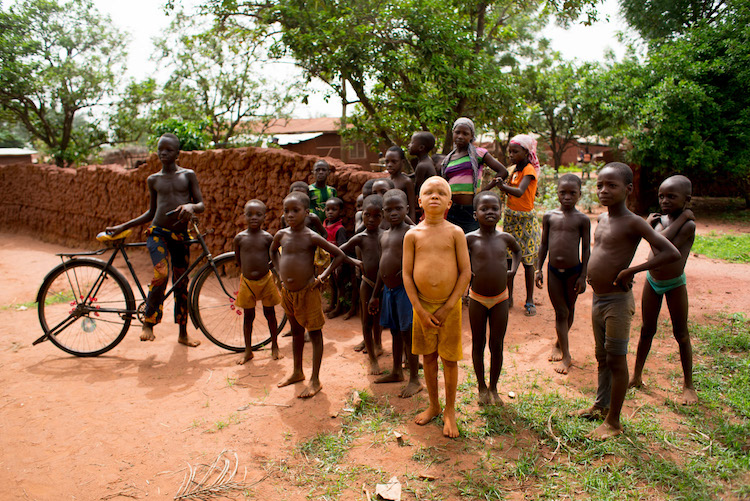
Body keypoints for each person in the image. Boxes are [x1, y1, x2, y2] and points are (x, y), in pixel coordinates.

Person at [574, 162, 680, 439]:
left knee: (616, 360)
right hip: (598, 298)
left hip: (617, 303)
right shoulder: (602, 219)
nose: (603, 190)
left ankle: (613, 422)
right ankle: (600, 405)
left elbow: (671, 253)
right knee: (601, 357)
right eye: (599, 185)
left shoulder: (633, 222)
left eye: (611, 186)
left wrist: (631, 271)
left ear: (628, 189)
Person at [106, 133, 204, 347]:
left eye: (168, 150)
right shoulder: (153, 179)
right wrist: (124, 225)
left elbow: (201, 205)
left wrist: (190, 206)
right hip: (157, 232)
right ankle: (148, 323)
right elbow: (151, 212)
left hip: (181, 237)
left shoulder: (188, 175)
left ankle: (183, 333)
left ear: (178, 153)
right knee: (161, 273)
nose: (163, 153)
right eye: (160, 149)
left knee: (181, 284)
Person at [403, 177, 472, 437]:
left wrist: (447, 306)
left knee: (450, 359)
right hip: (421, 307)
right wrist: (420, 310)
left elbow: (465, 272)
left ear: (449, 203)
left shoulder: (455, 233)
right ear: (419, 201)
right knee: (428, 357)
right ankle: (434, 405)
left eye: (441, 193)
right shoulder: (412, 235)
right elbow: (407, 275)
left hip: (449, 308)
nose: (435, 196)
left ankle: (450, 411)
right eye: (429, 193)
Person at [270, 191, 349, 398]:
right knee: (296, 331)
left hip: (308, 292)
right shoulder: (281, 235)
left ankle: (315, 379)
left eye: (295, 211)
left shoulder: (311, 237)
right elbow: (272, 252)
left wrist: (322, 277)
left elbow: (339, 255)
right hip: (288, 293)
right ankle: (297, 371)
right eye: (286, 211)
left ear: (306, 213)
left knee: (314, 333)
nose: (290, 215)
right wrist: (278, 273)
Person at [629, 175, 697, 405]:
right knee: (647, 329)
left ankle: (688, 385)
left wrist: (681, 218)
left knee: (681, 333)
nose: (665, 200)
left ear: (687, 199)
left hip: (675, 283)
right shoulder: (658, 220)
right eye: (661, 196)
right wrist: (648, 225)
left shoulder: (688, 225)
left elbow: (662, 244)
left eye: (671, 196)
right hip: (653, 280)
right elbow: (655, 241)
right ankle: (636, 375)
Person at [466, 191, 521, 405]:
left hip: (500, 299)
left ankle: (494, 387)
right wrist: (466, 271)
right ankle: (481, 387)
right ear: (475, 214)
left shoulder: (505, 238)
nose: (490, 212)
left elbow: (517, 252)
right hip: (477, 299)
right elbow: (458, 257)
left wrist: (513, 270)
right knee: (478, 344)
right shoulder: (469, 238)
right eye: (484, 209)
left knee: (496, 344)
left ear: (501, 212)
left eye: (494, 209)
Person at [535, 174, 591, 375]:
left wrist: (583, 275)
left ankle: (559, 342)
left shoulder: (583, 219)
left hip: (573, 272)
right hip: (553, 273)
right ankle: (567, 355)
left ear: (579, 195)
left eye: (572, 193)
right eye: (563, 192)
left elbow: (585, 249)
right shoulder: (549, 216)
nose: (567, 197)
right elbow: (543, 244)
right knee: (562, 312)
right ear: (556, 193)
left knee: (570, 308)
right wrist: (538, 268)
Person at [369, 189, 422, 398]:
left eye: (398, 208)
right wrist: (375, 294)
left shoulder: (413, 232)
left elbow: (423, 260)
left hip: (405, 290)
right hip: (388, 291)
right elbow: (382, 266)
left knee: (407, 333)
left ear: (407, 209)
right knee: (394, 331)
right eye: (388, 209)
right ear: (382, 212)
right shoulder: (384, 235)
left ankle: (415, 380)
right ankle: (396, 371)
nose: (393, 213)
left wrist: (412, 272)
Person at [487, 134, 541, 316]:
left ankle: (529, 300)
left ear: (526, 152)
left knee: (527, 262)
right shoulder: (513, 170)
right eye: (510, 151)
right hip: (511, 219)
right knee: (509, 259)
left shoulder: (529, 171)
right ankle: (508, 297)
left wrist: (502, 187)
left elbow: (519, 192)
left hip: (525, 221)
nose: (511, 154)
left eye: (515, 151)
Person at [233, 199, 282, 364]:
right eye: (250, 214)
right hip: (247, 282)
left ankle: (275, 345)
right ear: (244, 216)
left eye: (258, 214)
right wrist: (247, 271)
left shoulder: (268, 238)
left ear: (264, 217)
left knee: (270, 314)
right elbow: (238, 260)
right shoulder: (239, 238)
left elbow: (273, 257)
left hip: (266, 280)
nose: (254, 217)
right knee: (248, 316)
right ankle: (248, 350)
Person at [341, 195, 384, 374]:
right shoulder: (360, 237)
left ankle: (379, 344)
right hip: (367, 283)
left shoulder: (386, 236)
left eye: (376, 216)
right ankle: (372, 359)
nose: (371, 219)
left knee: (381, 318)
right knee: (366, 321)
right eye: (367, 215)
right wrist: (355, 262)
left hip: (384, 285)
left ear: (383, 216)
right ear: (362, 214)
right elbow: (338, 251)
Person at [441, 117, 508, 233]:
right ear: (453, 133)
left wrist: (484, 191)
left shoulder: (478, 153)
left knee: (473, 243)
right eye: (457, 132)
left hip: (471, 210)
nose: (460, 136)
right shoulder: (448, 159)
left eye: (465, 133)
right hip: (452, 209)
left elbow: (503, 172)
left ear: (471, 136)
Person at [323, 197, 349, 319]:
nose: (330, 212)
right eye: (328, 209)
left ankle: (339, 307)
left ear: (341, 211)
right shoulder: (324, 225)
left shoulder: (340, 229)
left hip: (337, 261)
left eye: (334, 209)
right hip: (328, 260)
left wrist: (341, 263)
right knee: (332, 284)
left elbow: (342, 248)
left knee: (339, 285)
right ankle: (332, 304)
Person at [385, 146, 417, 222]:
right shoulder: (386, 181)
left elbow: (412, 209)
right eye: (387, 162)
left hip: (403, 222)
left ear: (402, 162)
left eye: (394, 161)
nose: (389, 164)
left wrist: (412, 227)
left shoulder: (406, 182)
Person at [408, 131, 437, 203]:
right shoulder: (428, 160)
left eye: (412, 143)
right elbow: (418, 174)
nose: (409, 145)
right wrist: (409, 176)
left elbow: (417, 188)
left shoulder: (421, 166)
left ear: (421, 148)